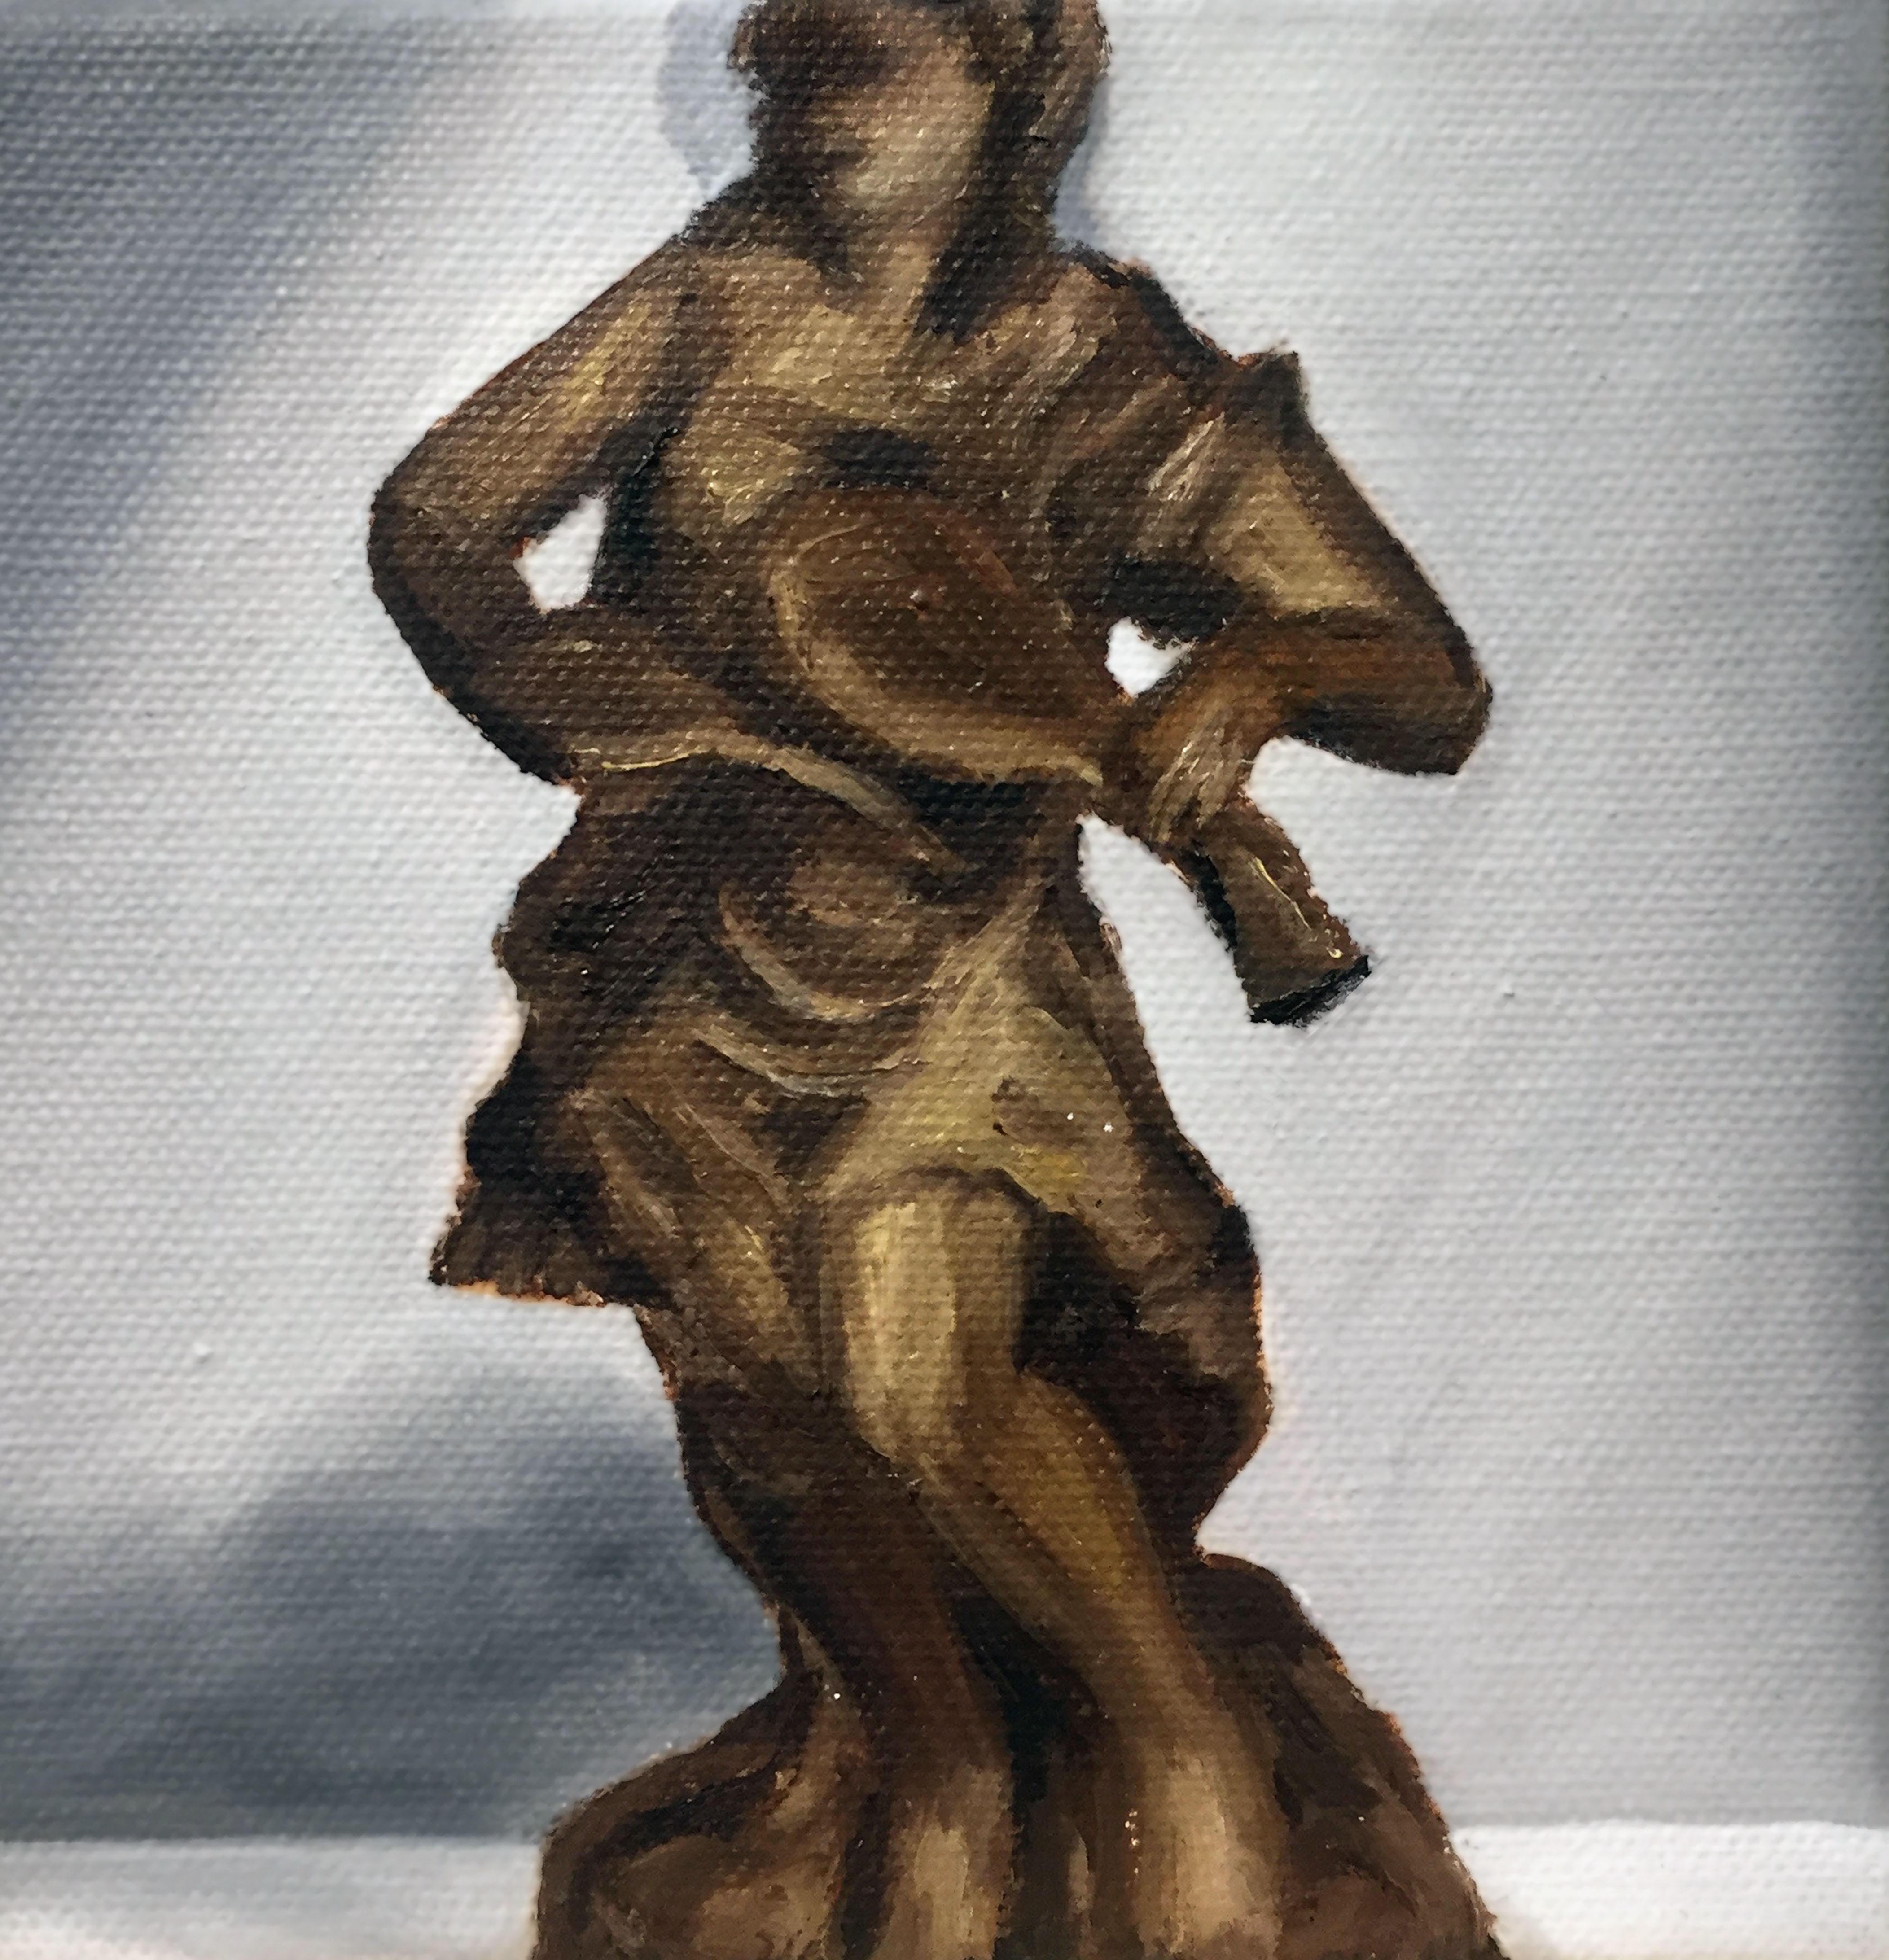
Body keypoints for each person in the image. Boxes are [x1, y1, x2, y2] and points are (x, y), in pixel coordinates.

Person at [370, 4, 1498, 1957]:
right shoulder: (709, 301)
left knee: (927, 1394)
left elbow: (1423, 674)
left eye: (868, 56)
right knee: (807, 1485)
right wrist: (551, 681)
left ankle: (1193, 1790)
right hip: (677, 989)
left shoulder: (1095, 363)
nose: (809, 100)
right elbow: (438, 518)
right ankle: (943, 1834)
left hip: (961, 1002)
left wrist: (1253, 673)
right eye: (785, 62)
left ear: (1011, 81)